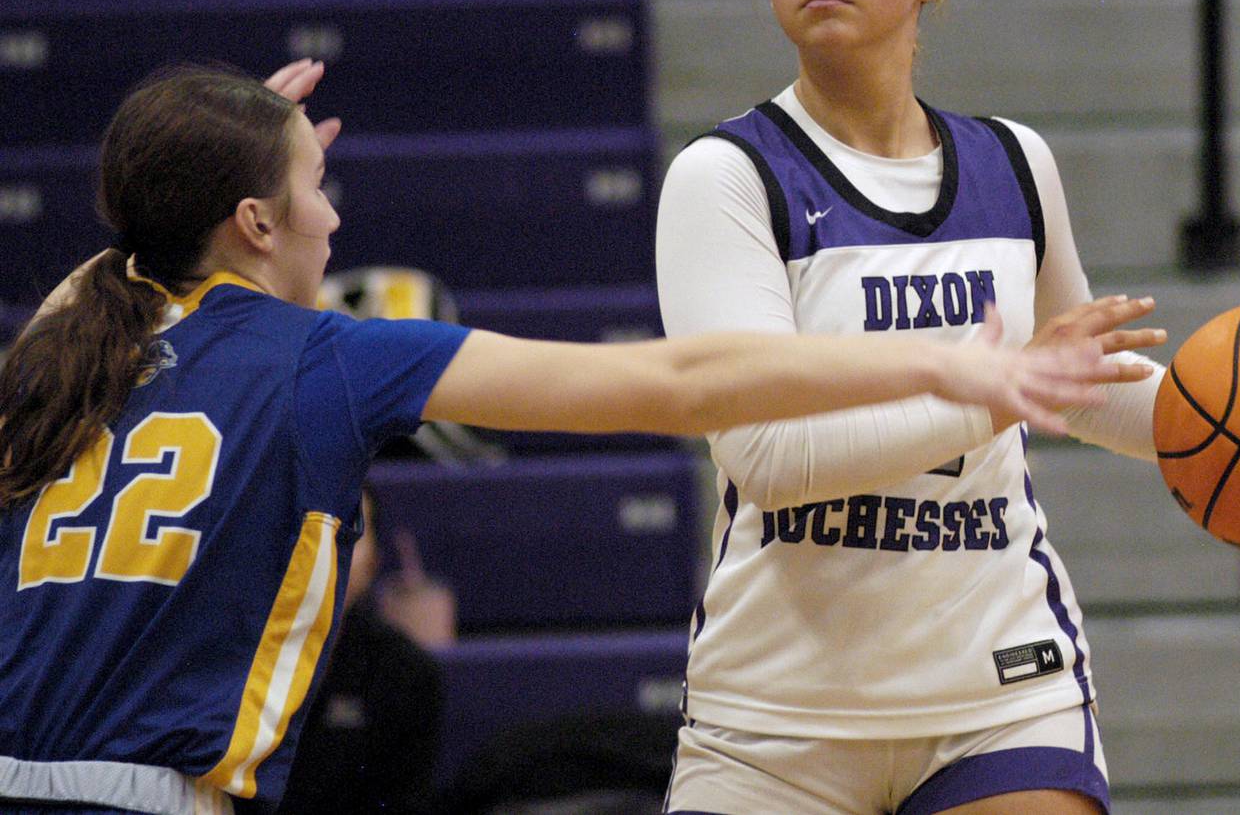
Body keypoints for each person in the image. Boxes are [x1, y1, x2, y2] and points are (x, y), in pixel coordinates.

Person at [0, 61, 1121, 815]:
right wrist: (950, 363)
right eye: (314, 185)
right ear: (253, 224)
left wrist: (223, 142)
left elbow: (129, 245)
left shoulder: (60, 348)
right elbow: (683, 378)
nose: (334, 216)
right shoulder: (329, 354)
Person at [655, 0, 1168, 815]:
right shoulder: (725, 177)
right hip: (778, 715)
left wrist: (1230, 420)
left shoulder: (1015, 163)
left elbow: (1084, 387)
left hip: (1000, 688)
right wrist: (989, 396)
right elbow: (765, 454)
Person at [276, 487, 442, 815]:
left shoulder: (406, 673)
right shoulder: (229, 662)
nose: (326, 549)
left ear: (375, 562)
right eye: (310, 528)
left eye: (348, 533)